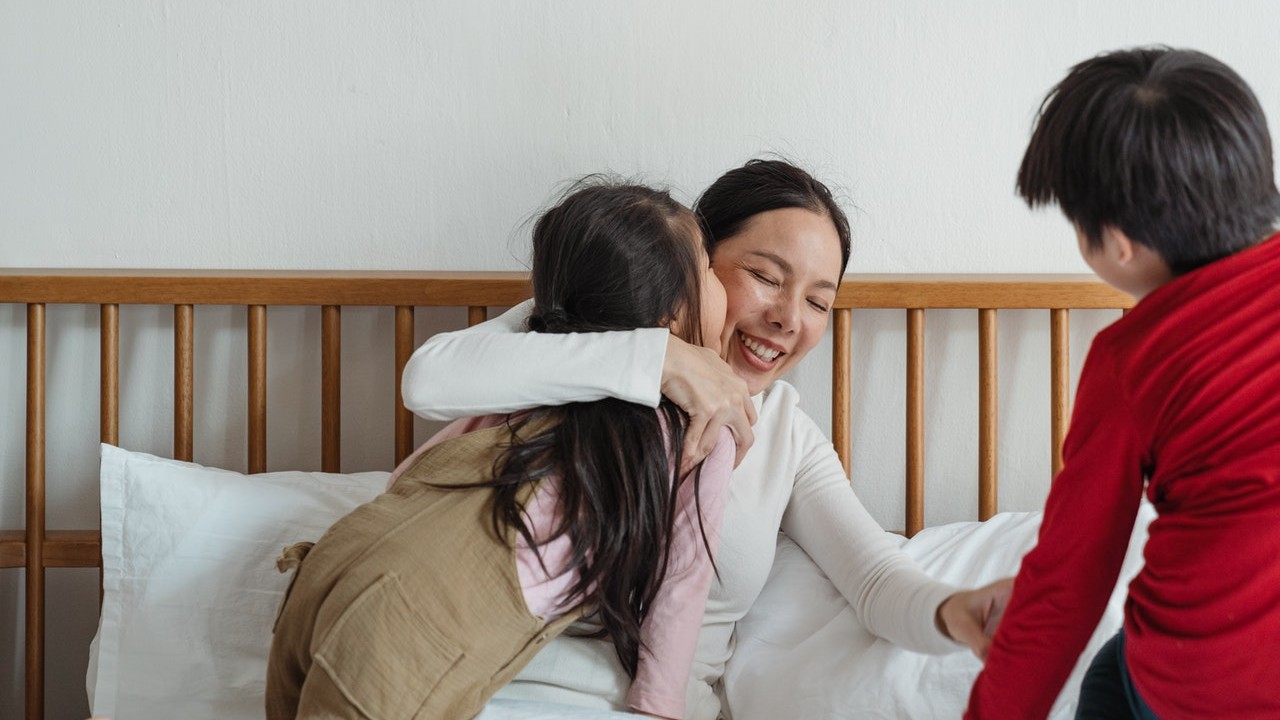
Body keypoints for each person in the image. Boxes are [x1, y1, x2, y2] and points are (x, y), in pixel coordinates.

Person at [402, 159, 1010, 719]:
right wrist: (658, 360)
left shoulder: (783, 437)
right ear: (697, 261)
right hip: (468, 691)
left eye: (819, 302)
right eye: (766, 277)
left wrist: (960, 612)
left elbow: (875, 580)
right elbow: (429, 380)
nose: (789, 319)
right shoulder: (584, 336)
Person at [266, 180, 737, 720]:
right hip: (410, 627)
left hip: (335, 565)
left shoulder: (528, 373)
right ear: (671, 314)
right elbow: (681, 584)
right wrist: (659, 703)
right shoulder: (700, 424)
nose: (718, 281)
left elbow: (415, 475)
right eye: (706, 267)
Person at [965, 47, 1280, 719]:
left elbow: (1066, 586)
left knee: (1122, 666)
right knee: (1114, 668)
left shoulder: (1130, 362)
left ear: (1120, 243)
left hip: (1204, 682)